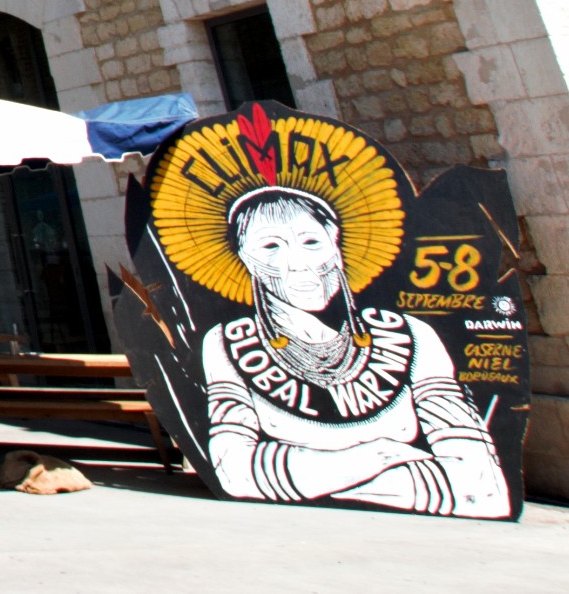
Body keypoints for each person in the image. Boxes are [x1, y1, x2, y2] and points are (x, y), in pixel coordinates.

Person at [201, 187, 510, 515]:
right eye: (271, 246)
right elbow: (234, 473)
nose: (297, 263)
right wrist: (381, 454)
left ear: (334, 241)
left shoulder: (414, 337)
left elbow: (482, 488)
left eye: (310, 242)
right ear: (245, 257)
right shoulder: (227, 343)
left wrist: (310, 477)